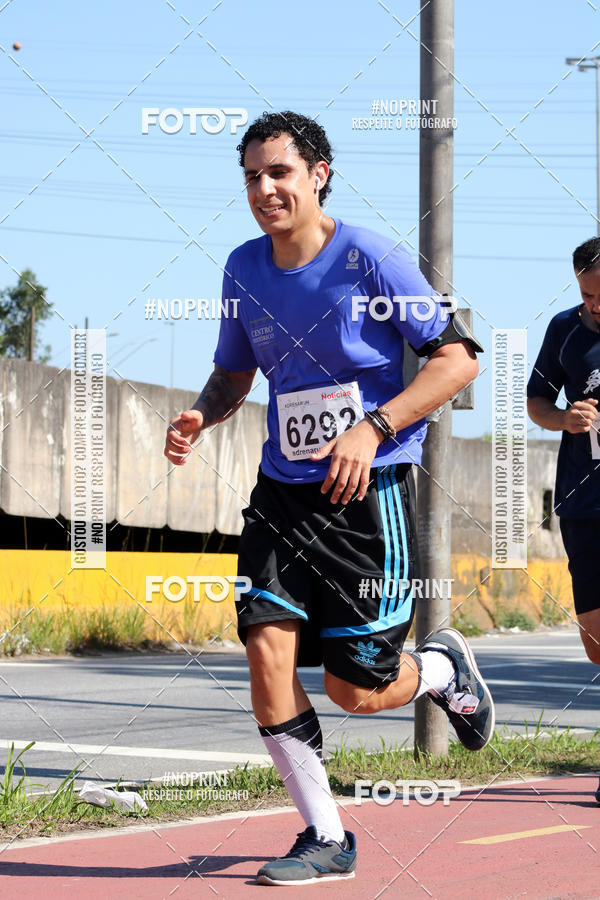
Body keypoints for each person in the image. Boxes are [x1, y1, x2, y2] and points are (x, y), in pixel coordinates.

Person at [164, 110, 494, 886]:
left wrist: (372, 429)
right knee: (266, 652)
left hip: (366, 495)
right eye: (251, 176)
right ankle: (325, 835)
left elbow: (456, 362)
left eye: (278, 172)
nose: (263, 189)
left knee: (357, 689)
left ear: (318, 174)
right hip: (282, 493)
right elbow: (235, 373)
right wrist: (202, 413)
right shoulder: (243, 269)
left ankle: (442, 674)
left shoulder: (370, 258)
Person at [528, 235, 600, 806]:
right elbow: (535, 402)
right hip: (583, 502)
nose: (594, 304)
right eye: (586, 294)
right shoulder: (565, 330)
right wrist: (563, 418)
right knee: (597, 644)